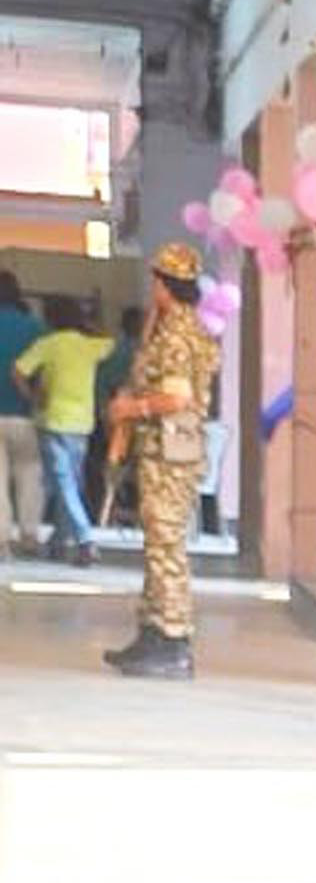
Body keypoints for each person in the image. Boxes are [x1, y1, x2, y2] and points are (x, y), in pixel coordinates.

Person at [101, 242, 217, 677]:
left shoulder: (176, 335)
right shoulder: (179, 327)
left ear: (164, 285)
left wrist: (132, 409)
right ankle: (152, 632)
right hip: (166, 451)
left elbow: (177, 398)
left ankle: (172, 639)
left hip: (170, 454)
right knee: (157, 543)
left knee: (166, 545)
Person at [15, 293, 113, 564]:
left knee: (63, 483)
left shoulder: (48, 344)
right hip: (82, 424)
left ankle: (85, 539)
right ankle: (59, 542)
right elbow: (111, 342)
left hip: (55, 420)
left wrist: (33, 397)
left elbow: (18, 370)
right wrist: (89, 323)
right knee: (70, 483)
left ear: (50, 319)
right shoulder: (90, 345)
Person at [0, 270, 44, 553]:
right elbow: (44, 370)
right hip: (24, 413)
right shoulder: (34, 327)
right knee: (29, 473)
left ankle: (1, 539)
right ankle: (29, 533)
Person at [89, 303, 144, 526]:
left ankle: (107, 511)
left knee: (109, 468)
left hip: (116, 421)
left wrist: (104, 413)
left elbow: (101, 385)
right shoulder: (146, 353)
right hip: (136, 421)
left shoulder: (115, 350)